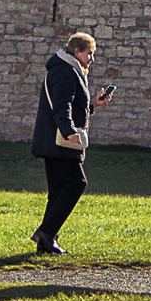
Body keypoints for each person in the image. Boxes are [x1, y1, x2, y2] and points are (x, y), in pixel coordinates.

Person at [27, 31, 113, 255]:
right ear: (77, 51)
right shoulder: (66, 71)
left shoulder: (67, 69)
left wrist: (93, 105)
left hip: (55, 141)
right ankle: (45, 233)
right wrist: (69, 132)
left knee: (57, 191)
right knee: (77, 183)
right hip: (60, 143)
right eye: (89, 54)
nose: (91, 59)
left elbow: (73, 107)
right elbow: (62, 106)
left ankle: (46, 242)